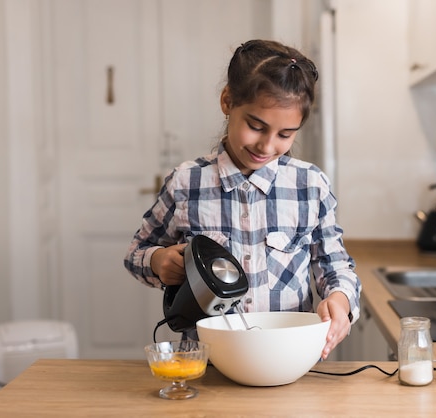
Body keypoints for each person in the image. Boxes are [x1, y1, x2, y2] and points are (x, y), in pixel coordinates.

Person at [124, 39, 361, 359]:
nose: (267, 145)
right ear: (227, 101)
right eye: (255, 126)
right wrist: (157, 261)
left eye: (285, 134)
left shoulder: (310, 186)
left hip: (288, 362)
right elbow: (136, 252)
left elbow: (336, 267)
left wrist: (341, 301)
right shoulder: (186, 182)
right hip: (205, 366)